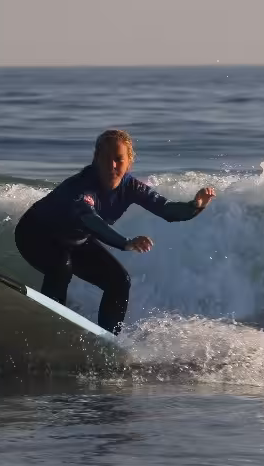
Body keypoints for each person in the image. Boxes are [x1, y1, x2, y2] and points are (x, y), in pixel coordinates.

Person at [15, 129, 216, 334]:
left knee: (119, 282)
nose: (112, 166)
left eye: (119, 160)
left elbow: (167, 210)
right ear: (96, 159)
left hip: (74, 239)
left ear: (129, 161)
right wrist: (125, 242)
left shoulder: (131, 187)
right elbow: (92, 221)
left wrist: (196, 205)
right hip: (35, 234)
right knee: (60, 266)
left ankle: (108, 340)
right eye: (106, 159)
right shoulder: (81, 187)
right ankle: (48, 327)